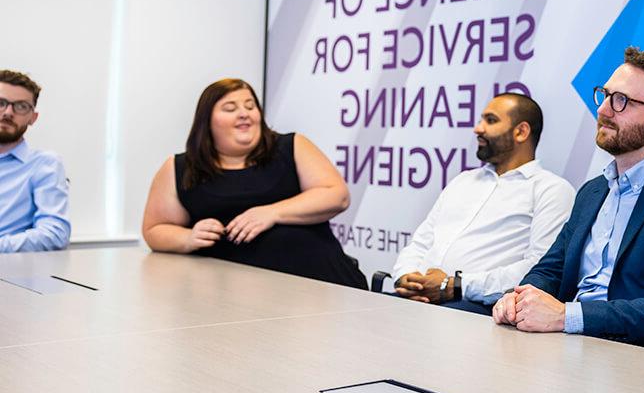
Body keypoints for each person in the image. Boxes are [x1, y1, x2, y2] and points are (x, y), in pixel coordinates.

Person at [492, 47, 644, 343]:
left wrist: (568, 316)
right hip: (568, 345)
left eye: (622, 101)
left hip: (637, 357)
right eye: (605, 95)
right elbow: (550, 269)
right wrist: (519, 298)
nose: (604, 110)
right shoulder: (593, 191)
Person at [142, 78, 366, 288]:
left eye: (250, 106)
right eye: (230, 108)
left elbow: (337, 195)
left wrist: (272, 213)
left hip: (316, 282)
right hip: (228, 293)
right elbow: (154, 229)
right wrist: (188, 238)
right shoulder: (181, 167)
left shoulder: (292, 146)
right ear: (207, 121)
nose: (243, 114)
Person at [391, 93, 574, 311]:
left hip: (478, 307)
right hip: (420, 299)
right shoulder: (463, 181)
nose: (478, 129)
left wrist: (456, 285)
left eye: (491, 120)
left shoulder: (551, 190)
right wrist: (406, 277)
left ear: (521, 132)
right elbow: (421, 242)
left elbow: (539, 269)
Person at [0, 70, 70, 252]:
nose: (8, 112)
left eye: (21, 106)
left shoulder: (45, 164)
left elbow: (55, 233)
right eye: (1, 103)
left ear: (33, 118)